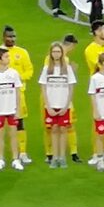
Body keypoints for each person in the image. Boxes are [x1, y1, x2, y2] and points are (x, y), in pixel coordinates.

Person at [0, 47, 26, 172]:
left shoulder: (14, 73)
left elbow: (18, 92)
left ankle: (15, 159)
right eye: (6, 57)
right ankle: (0, 159)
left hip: (12, 110)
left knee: (13, 135)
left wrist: (17, 109)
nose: (9, 58)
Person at [39, 40, 77, 168]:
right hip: (51, 105)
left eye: (58, 51)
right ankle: (55, 157)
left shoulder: (67, 69)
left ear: (62, 53)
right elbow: (43, 88)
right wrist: (48, 106)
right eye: (54, 52)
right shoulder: (47, 69)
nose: (56, 54)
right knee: (54, 130)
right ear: (51, 53)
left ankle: (62, 157)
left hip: (64, 105)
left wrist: (66, 106)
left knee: (63, 129)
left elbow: (71, 88)